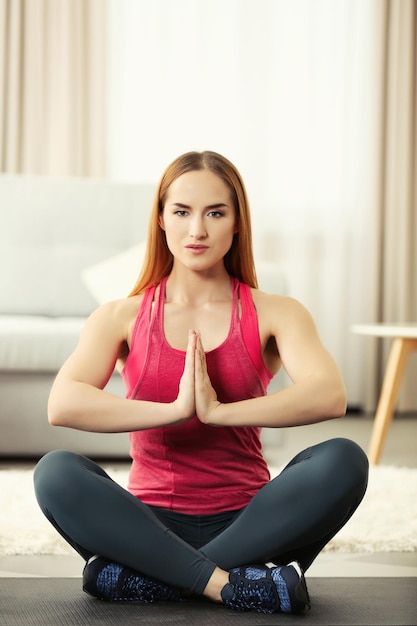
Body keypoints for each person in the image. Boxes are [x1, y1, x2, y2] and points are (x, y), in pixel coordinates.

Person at [34, 150, 368, 615]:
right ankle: (235, 585)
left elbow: (329, 394)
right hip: (149, 524)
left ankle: (159, 579)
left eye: (215, 213)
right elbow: (63, 404)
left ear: (237, 223)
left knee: (344, 459)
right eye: (182, 212)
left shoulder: (275, 311)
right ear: (161, 220)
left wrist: (220, 412)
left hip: (252, 523)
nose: (197, 230)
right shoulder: (120, 316)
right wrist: (174, 410)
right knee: (56, 471)